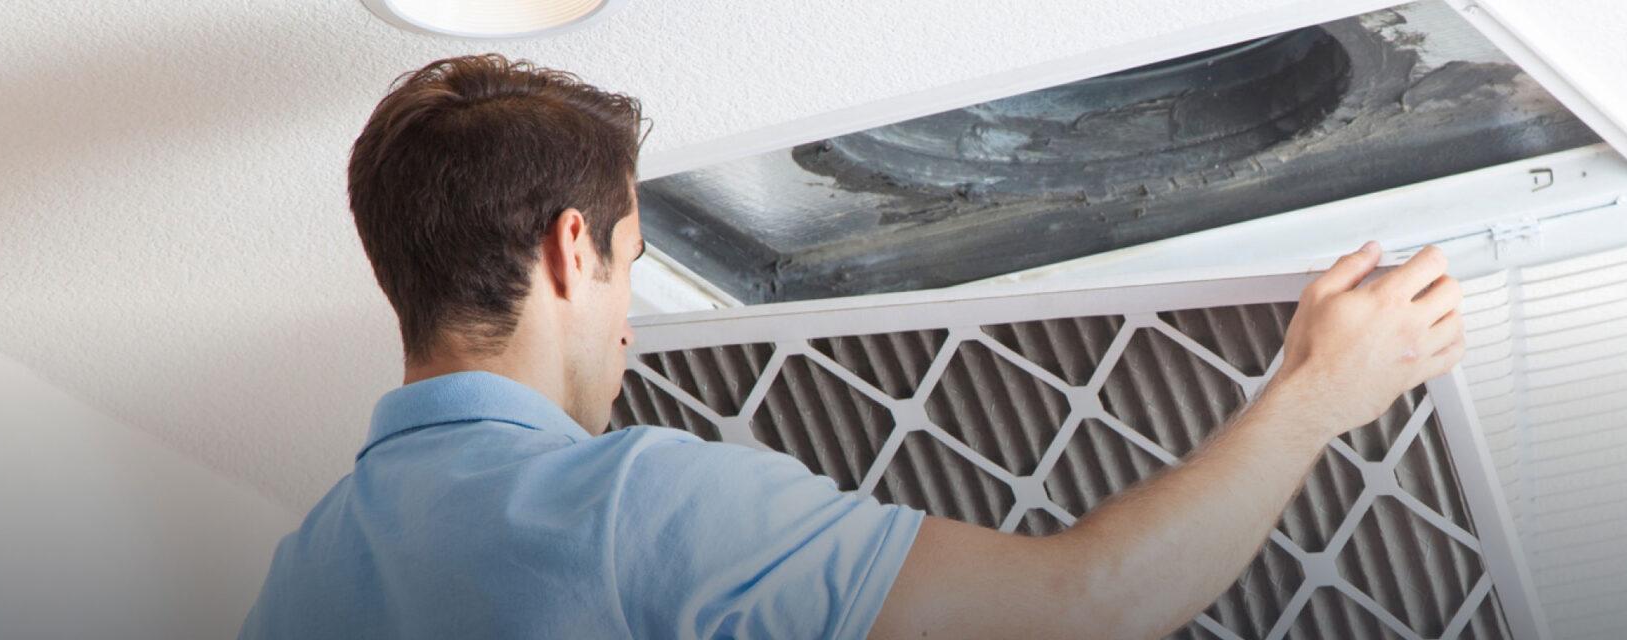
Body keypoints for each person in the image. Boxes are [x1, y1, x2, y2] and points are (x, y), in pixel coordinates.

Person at [240, 54, 1465, 639]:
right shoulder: (627, 503)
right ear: (574, 250)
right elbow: (1088, 604)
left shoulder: (296, 584)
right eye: (630, 260)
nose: (627, 318)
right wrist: (1318, 392)